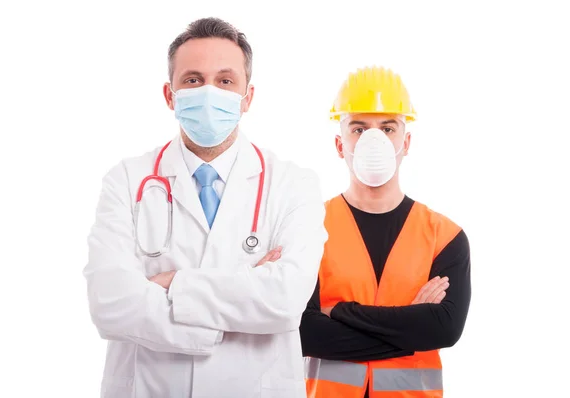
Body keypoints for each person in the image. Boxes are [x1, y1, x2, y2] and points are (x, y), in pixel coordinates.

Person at [83, 17, 327, 398]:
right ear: (170, 95)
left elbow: (285, 300)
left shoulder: (294, 184)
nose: (209, 92)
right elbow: (110, 303)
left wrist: (170, 284)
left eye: (225, 81)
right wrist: (238, 306)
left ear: (248, 97)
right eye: (193, 79)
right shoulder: (126, 181)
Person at [299, 66, 471, 398]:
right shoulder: (308, 227)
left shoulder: (445, 237)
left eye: (388, 127)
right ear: (339, 144)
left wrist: (340, 311)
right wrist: (411, 327)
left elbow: (445, 329)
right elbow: (305, 332)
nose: (373, 140)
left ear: (405, 142)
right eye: (359, 128)